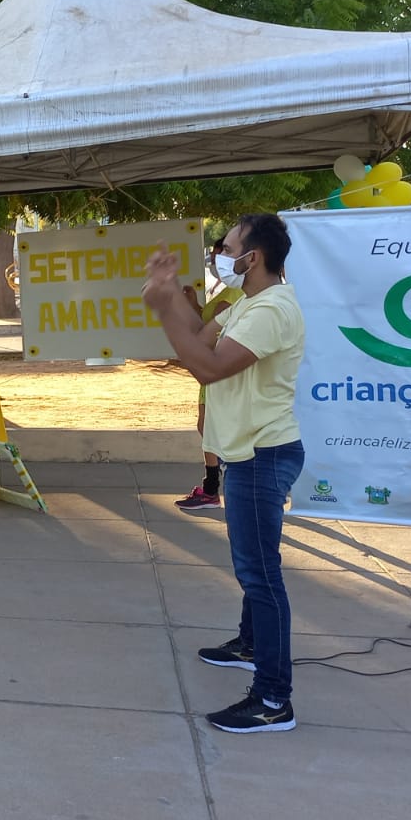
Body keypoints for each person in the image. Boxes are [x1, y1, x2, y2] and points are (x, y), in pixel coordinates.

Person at [143, 213, 305, 734]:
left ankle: (274, 699)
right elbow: (200, 336)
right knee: (256, 568)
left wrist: (164, 307)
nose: (220, 254)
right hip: (246, 453)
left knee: (261, 576)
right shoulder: (244, 303)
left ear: (251, 258)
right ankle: (250, 644)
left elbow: (207, 367)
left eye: (228, 247)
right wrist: (169, 300)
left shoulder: (272, 309)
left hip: (262, 455)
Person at [175, 237, 244, 511]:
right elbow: (207, 320)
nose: (217, 261)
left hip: (220, 370)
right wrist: (193, 304)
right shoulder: (227, 294)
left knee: (213, 429)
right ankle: (213, 486)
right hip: (216, 369)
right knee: (207, 428)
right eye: (215, 255)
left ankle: (214, 487)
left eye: (223, 254)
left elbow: (209, 333)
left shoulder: (237, 297)